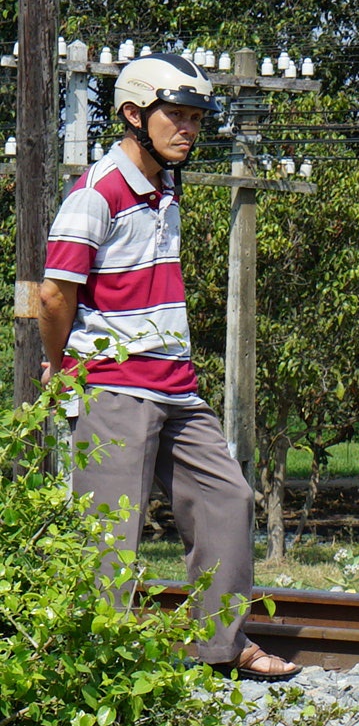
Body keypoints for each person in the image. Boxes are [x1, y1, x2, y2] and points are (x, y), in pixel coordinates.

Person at [38, 52, 296, 681]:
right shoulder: (98, 192)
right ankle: (97, 669)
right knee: (110, 536)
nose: (189, 128)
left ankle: (221, 646)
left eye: (195, 117)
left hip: (175, 386)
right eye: (175, 115)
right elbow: (53, 292)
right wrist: (60, 365)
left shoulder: (165, 187)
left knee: (227, 499)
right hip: (113, 385)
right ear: (133, 114)